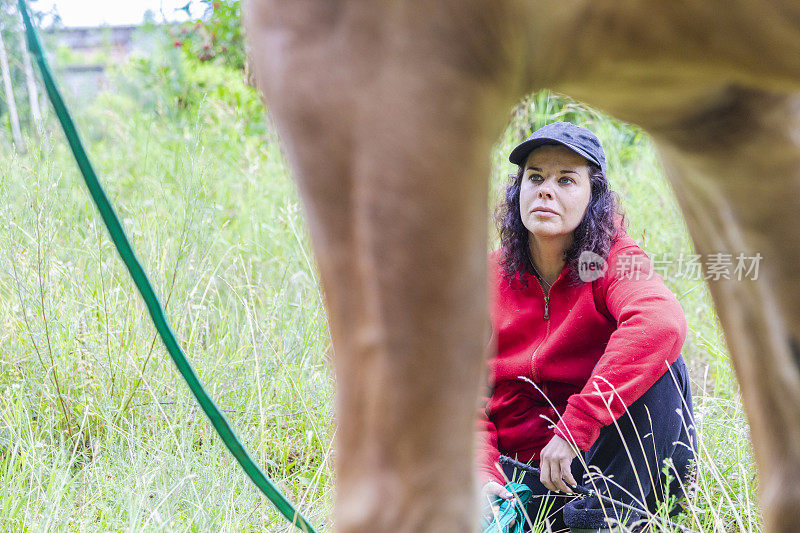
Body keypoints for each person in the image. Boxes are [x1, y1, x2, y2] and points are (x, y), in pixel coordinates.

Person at [478, 122, 697, 532]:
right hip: (519, 479)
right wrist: (483, 474)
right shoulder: (487, 276)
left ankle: (599, 524)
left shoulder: (614, 257)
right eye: (536, 177)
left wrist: (575, 425)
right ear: (517, 190)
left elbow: (661, 322)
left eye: (566, 180)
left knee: (665, 366)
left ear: (593, 196)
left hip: (605, 465)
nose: (546, 190)